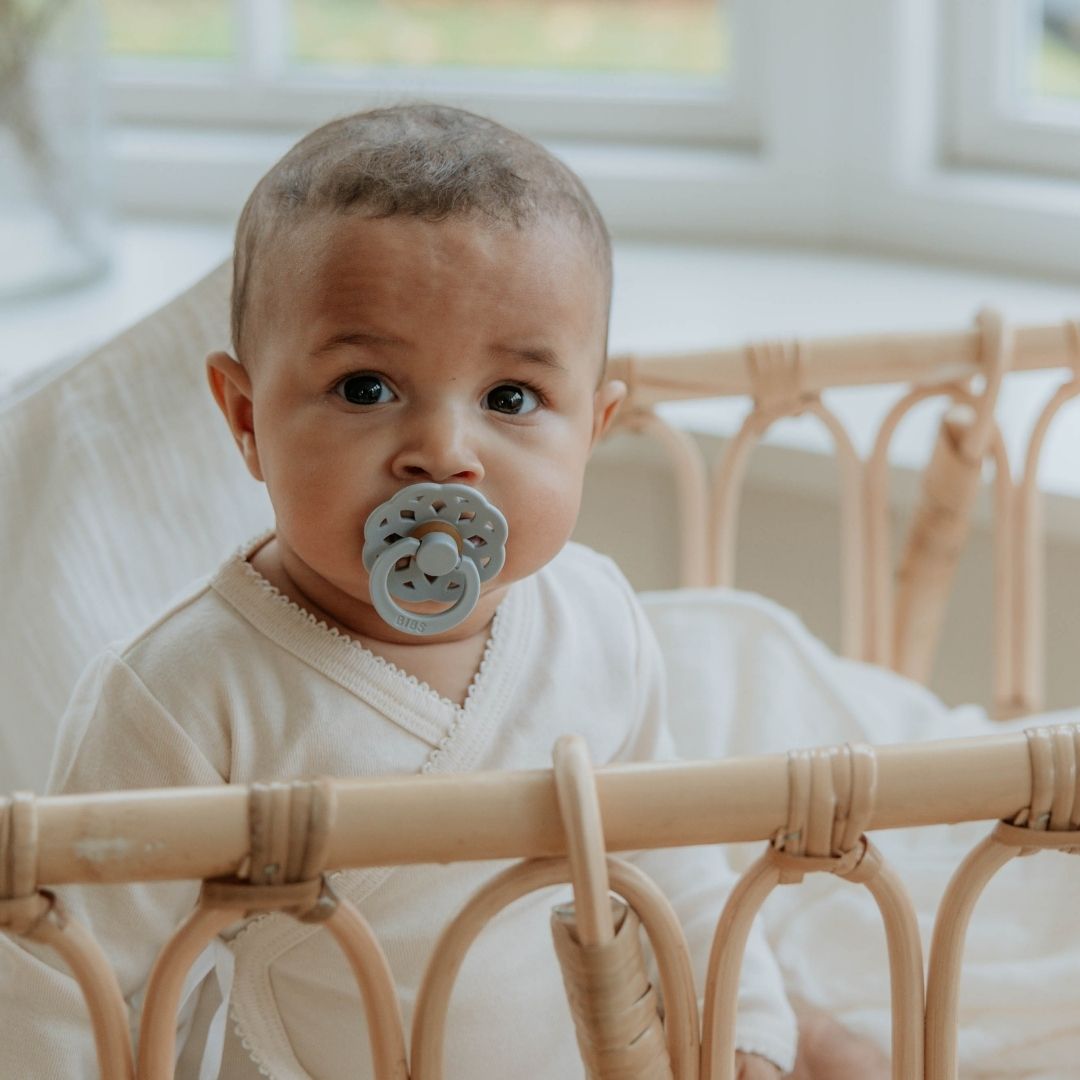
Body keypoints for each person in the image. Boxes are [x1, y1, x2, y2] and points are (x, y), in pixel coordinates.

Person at [0, 103, 886, 1079]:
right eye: (367, 388)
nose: (443, 452)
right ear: (246, 417)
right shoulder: (187, 691)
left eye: (510, 398)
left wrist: (750, 1038)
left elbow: (675, 867)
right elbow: (61, 973)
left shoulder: (597, 623)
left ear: (593, 428)